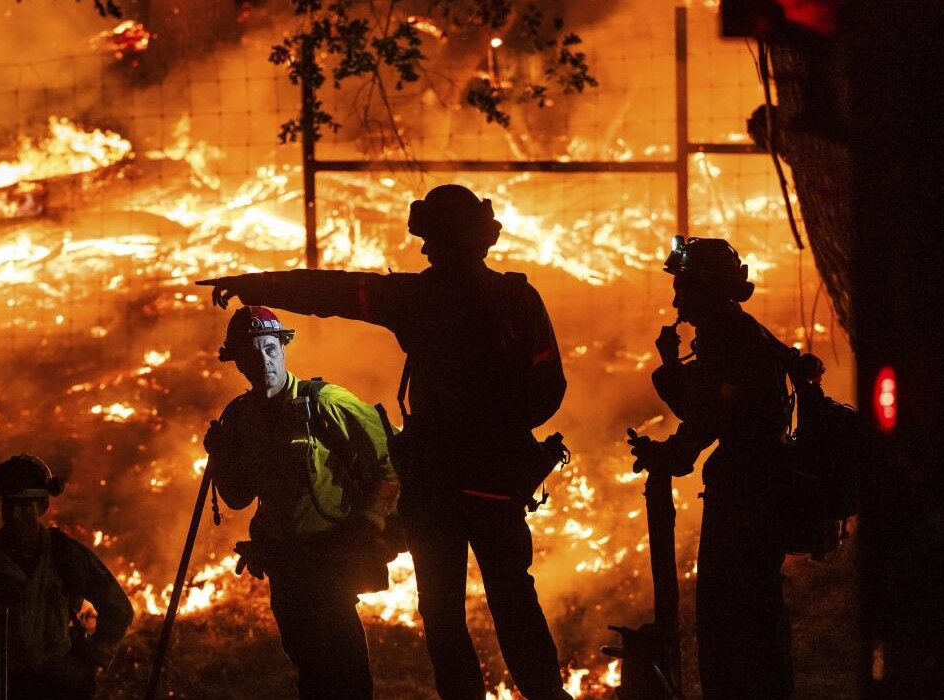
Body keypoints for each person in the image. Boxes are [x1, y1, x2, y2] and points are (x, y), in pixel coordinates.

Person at [198, 184, 572, 700]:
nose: (423, 251)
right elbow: (550, 389)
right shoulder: (518, 299)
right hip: (496, 483)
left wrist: (257, 285)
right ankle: (547, 693)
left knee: (442, 611)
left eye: (428, 241)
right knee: (513, 596)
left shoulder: (418, 300)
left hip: (436, 486)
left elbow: (336, 293)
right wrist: (500, 433)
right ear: (483, 239)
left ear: (437, 243)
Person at [627, 235, 797, 699]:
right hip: (758, 485)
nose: (676, 299)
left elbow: (701, 421)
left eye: (683, 288)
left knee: (728, 615)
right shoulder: (740, 331)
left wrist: (669, 456)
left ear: (704, 288)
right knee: (758, 609)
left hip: (745, 491)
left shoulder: (728, 338)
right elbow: (706, 407)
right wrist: (670, 366)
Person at [204, 305, 400, 700]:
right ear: (237, 361)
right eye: (252, 352)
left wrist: (370, 522)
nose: (264, 360)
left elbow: (392, 463)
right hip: (284, 563)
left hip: (332, 556)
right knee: (309, 670)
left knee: (344, 671)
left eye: (271, 349)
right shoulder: (240, 418)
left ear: (284, 348)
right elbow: (239, 498)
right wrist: (222, 457)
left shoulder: (326, 402)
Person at [0, 454, 133, 700]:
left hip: (56, 686)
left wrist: (89, 660)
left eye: (24, 505)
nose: (15, 514)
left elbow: (118, 608)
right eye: (9, 504)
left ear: (42, 506)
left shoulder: (64, 554)